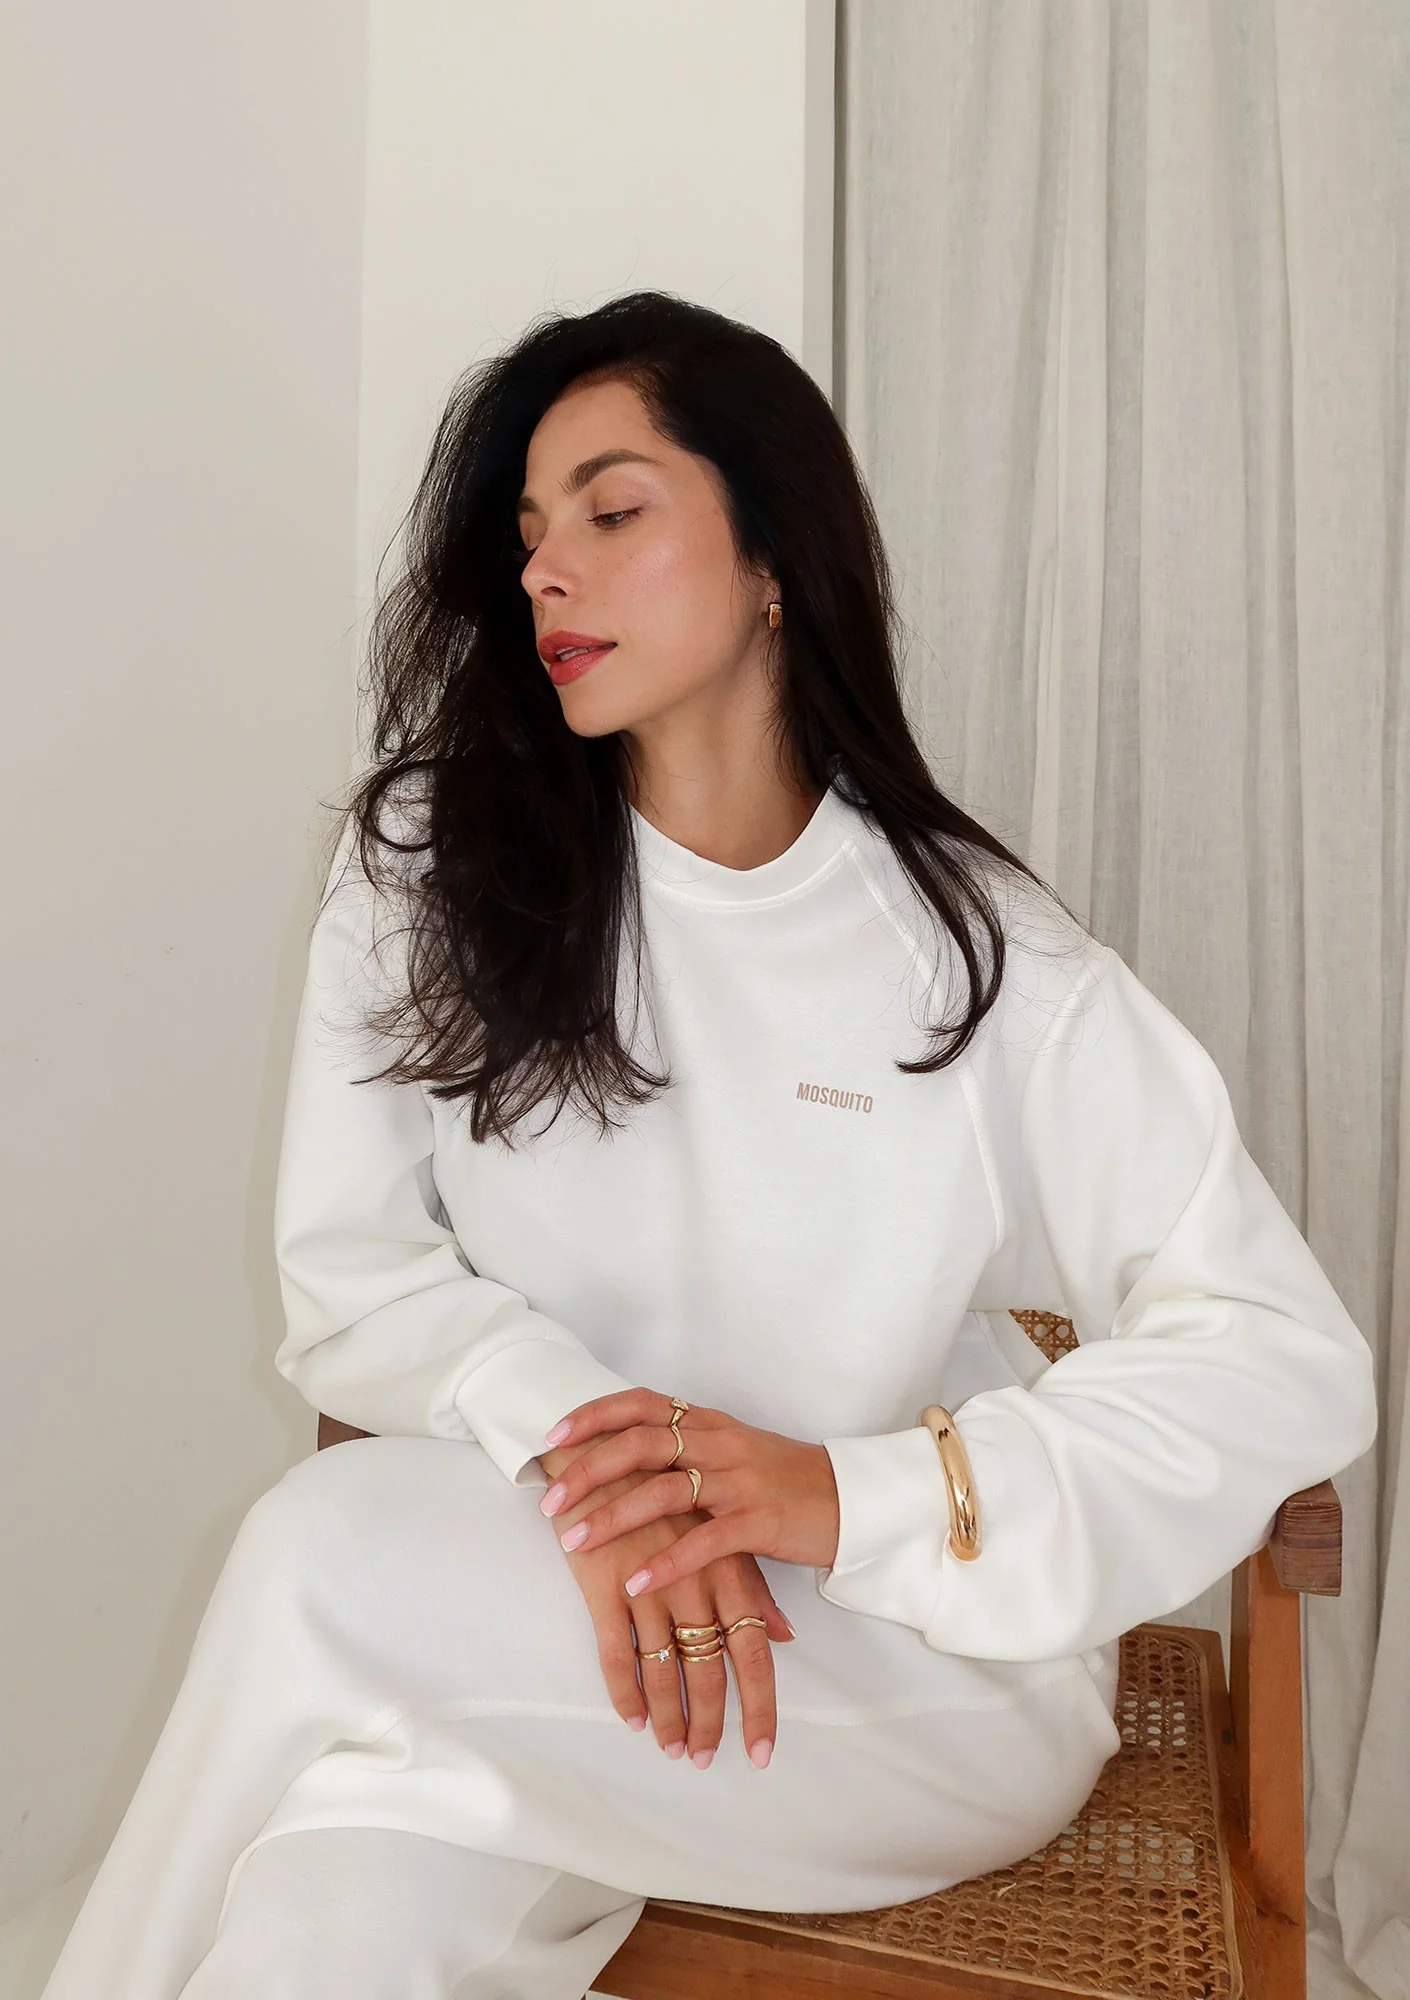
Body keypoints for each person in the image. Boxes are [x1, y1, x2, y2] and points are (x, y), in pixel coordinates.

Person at [41, 290, 1377, 2000]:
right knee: (330, 1913)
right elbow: (352, 1282)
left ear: (771, 557)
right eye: (529, 534)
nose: (545, 570)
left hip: (897, 1679)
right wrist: (599, 1473)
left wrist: (847, 1493)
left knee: (318, 1553)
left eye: (611, 511)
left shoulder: (978, 962)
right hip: (548, 1605)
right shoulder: (431, 873)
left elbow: (1279, 1356)